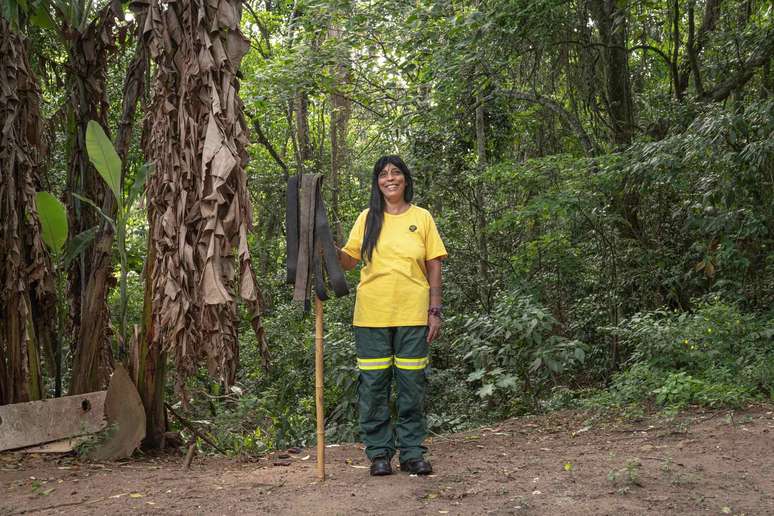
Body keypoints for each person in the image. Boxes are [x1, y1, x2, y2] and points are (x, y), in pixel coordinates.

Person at [337, 155, 447, 476]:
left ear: (405, 179)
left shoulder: (422, 217)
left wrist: (435, 310)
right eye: (383, 174)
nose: (390, 178)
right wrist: (326, 249)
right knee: (374, 386)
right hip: (371, 316)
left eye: (395, 172)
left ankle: (412, 453)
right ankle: (380, 454)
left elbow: (434, 265)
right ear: (377, 182)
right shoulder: (367, 219)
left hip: (413, 314)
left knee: (411, 384)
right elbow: (348, 261)